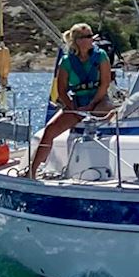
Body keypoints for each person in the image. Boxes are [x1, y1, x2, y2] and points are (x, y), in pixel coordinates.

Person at [27, 22, 113, 178]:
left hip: (98, 99)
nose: (90, 39)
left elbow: (105, 83)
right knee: (50, 130)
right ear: (78, 41)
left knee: (105, 111)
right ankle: (32, 170)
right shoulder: (67, 61)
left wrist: (91, 104)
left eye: (90, 36)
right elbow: (62, 90)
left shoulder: (100, 56)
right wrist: (72, 106)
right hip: (77, 101)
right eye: (86, 37)